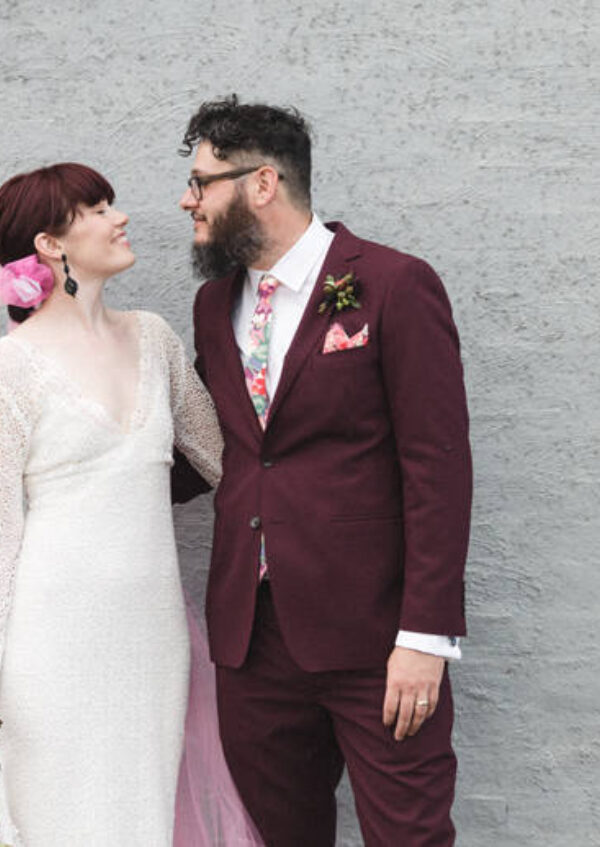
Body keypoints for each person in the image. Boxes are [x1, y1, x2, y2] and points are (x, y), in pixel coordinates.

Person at [172, 98, 474, 847]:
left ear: (263, 183)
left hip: (377, 638)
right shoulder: (214, 305)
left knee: (410, 836)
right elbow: (218, 454)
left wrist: (425, 637)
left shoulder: (395, 285)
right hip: (251, 644)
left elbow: (438, 467)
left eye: (202, 181)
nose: (187, 199)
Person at [0, 162, 255, 847]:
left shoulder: (154, 338)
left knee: (141, 822)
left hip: (150, 640)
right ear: (52, 243)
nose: (120, 217)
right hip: (51, 644)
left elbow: (231, 463)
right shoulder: (5, 372)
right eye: (97, 208)